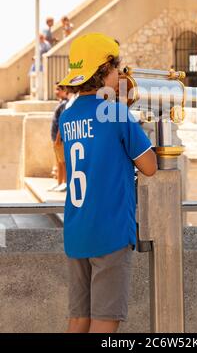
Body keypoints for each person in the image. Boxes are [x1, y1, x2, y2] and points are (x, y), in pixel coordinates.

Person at [58, 33, 157, 334]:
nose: (121, 75)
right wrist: (126, 113)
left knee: (79, 318)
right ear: (104, 71)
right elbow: (150, 166)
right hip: (110, 231)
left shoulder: (67, 115)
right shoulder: (116, 112)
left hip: (77, 230)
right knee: (105, 319)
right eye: (117, 69)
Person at [48, 83, 68, 192]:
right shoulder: (60, 103)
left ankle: (65, 183)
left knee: (63, 162)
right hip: (55, 138)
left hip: (59, 139)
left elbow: (62, 122)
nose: (56, 92)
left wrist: (58, 138)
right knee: (58, 162)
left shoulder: (64, 104)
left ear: (65, 91)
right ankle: (59, 183)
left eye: (58, 89)